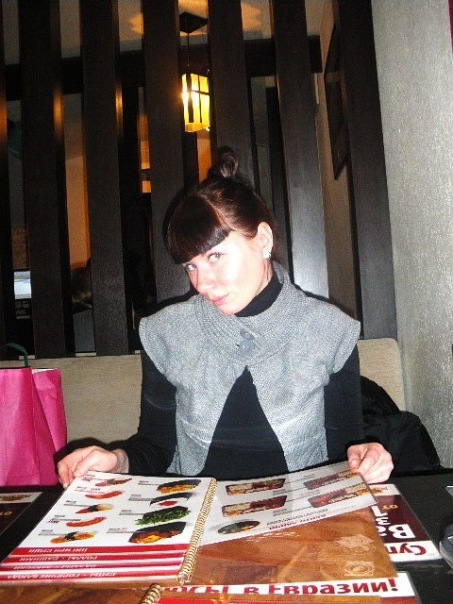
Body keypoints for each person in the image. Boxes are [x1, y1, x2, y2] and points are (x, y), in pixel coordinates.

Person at [58, 150, 393, 489]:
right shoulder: (168, 333)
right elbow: (156, 447)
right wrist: (116, 460)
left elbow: (343, 452)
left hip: (300, 511)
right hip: (195, 510)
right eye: (191, 266)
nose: (202, 283)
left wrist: (365, 457)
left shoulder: (329, 331)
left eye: (215, 256)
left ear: (262, 240)